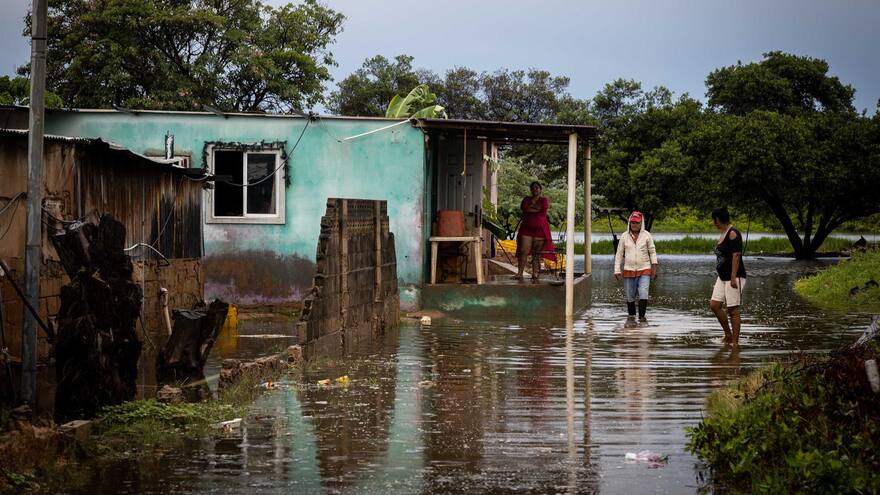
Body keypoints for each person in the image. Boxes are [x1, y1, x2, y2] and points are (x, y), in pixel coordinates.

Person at [710, 207, 747, 345]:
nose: (713, 223)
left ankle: (735, 344)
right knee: (714, 305)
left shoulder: (733, 233)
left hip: (734, 277)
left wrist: (733, 277)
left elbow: (736, 255)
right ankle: (728, 335)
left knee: (733, 310)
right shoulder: (724, 232)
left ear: (717, 220)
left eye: (714, 220)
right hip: (722, 277)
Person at [614, 211, 658, 320]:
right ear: (629, 223)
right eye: (632, 222)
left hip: (645, 269)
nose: (634, 225)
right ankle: (632, 320)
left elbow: (652, 252)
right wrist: (617, 270)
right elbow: (619, 254)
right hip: (628, 270)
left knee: (643, 293)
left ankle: (642, 319)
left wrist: (654, 269)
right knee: (630, 297)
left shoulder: (647, 235)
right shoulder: (624, 236)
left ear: (641, 223)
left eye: (637, 222)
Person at [516, 181, 555, 282]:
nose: (535, 190)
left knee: (536, 253)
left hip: (540, 230)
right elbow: (525, 208)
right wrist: (535, 209)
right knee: (523, 251)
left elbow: (541, 208)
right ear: (531, 190)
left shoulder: (544, 200)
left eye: (537, 188)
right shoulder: (526, 199)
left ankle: (535, 273)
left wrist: (532, 208)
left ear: (540, 189)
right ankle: (519, 273)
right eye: (533, 188)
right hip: (526, 230)